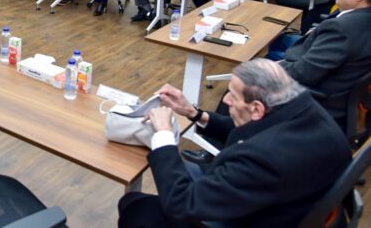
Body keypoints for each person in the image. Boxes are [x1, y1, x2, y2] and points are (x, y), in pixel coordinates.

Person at [118, 59, 351, 227]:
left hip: (255, 217)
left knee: (135, 207)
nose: (226, 100)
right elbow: (257, 130)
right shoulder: (303, 108)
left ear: (257, 108)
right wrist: (194, 113)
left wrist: (163, 135)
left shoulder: (264, 159)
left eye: (232, 95)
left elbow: (182, 204)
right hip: (285, 202)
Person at [268, 0, 371, 128]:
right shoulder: (361, 19)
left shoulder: (341, 28)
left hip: (317, 102)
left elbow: (304, 73)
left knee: (244, 80)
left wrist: (269, 69)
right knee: (279, 42)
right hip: (341, 97)